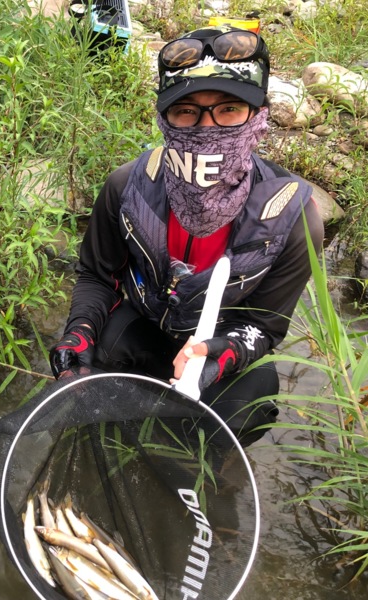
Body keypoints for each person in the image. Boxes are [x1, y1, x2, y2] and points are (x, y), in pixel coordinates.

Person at [49, 26, 324, 446]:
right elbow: (96, 276)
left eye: (229, 109)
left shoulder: (293, 214)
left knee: (249, 404)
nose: (206, 127)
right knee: (97, 356)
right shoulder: (127, 187)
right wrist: (80, 330)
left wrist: (223, 354)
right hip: (143, 325)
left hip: (217, 339)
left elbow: (265, 326)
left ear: (260, 116)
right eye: (187, 111)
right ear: (165, 117)